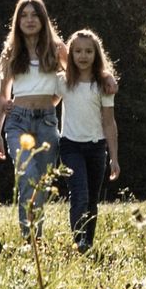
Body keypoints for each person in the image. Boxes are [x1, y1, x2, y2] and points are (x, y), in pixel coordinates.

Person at [0, 0, 66, 239]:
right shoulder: (11, 52)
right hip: (17, 122)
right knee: (27, 177)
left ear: (43, 19)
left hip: (47, 121)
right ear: (17, 21)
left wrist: (52, 101)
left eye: (34, 15)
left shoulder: (56, 49)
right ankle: (29, 238)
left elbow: (73, 79)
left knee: (42, 183)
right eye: (24, 15)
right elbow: (3, 95)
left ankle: (37, 239)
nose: (29, 20)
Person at [56, 30, 120, 253]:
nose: (83, 56)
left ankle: (88, 243)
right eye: (78, 51)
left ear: (96, 54)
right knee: (79, 195)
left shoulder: (103, 85)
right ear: (71, 54)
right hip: (70, 146)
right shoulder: (63, 82)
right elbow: (45, 101)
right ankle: (79, 242)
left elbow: (109, 122)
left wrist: (114, 158)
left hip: (96, 147)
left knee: (92, 199)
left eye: (88, 51)